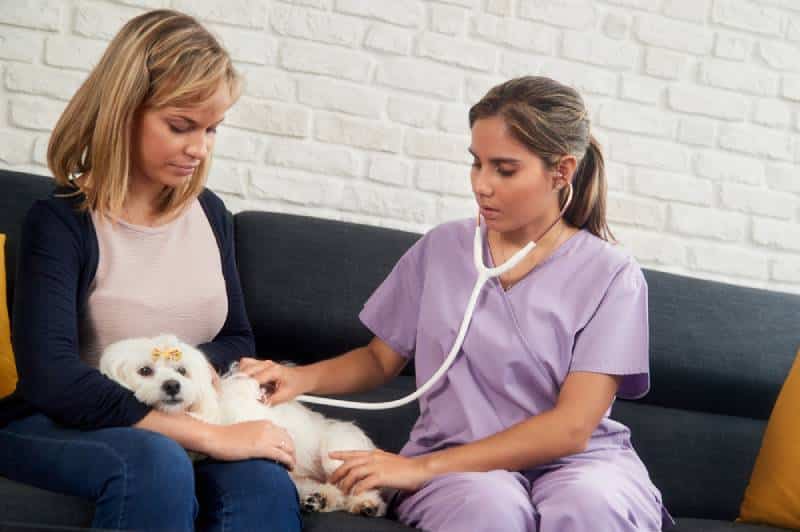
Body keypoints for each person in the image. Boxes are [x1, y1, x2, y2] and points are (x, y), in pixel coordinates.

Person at [239, 76, 675, 531]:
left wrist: (417, 469)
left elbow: (572, 427)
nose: (481, 185)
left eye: (504, 170)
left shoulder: (611, 275)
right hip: (455, 464)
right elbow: (378, 358)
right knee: (490, 509)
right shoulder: (443, 249)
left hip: (577, 462)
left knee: (592, 505)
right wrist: (297, 377)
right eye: (476, 164)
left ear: (561, 171)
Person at [0, 10, 300, 532]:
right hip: (61, 422)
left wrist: (182, 382)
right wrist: (206, 436)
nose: (199, 148)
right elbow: (52, 378)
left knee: (264, 479)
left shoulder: (210, 215)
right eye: (181, 126)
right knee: (154, 464)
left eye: (211, 129)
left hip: (182, 414)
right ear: (123, 111)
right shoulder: (60, 222)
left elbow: (236, 337)